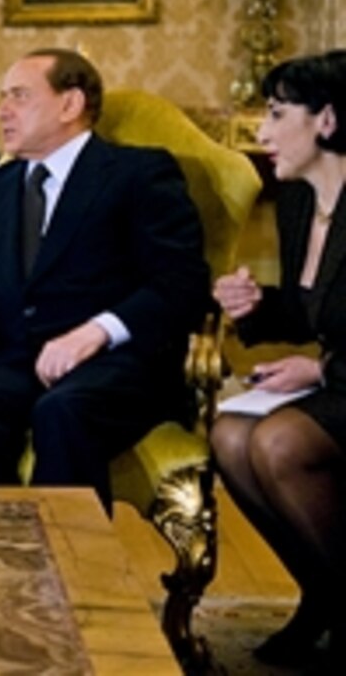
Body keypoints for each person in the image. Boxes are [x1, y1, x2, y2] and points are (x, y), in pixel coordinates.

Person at [0, 48, 208, 507]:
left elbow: (182, 284)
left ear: (70, 104)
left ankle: (75, 570)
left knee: (63, 410)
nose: (1, 110)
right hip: (24, 361)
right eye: (2, 97)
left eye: (19, 96)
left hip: (122, 364)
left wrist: (97, 332)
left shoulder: (138, 173)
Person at [211, 50, 346, 669]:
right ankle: (321, 596)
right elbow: (307, 311)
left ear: (327, 120)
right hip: (337, 380)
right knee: (232, 434)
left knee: (278, 444)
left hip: (340, 380)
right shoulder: (299, 202)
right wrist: (252, 305)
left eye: (275, 113)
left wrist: (318, 371)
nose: (261, 133)